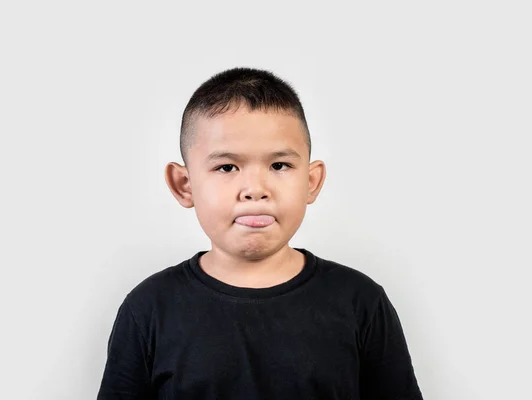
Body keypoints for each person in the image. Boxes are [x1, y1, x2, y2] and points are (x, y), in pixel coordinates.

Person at [97, 67, 424, 399]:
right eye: (227, 167)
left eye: (279, 166)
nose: (255, 189)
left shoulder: (361, 303)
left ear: (311, 182)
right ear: (184, 185)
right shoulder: (148, 309)